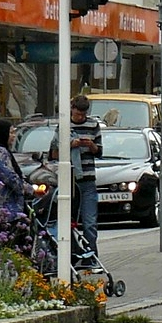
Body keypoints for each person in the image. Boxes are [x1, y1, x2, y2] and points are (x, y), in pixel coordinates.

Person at [50, 95, 104, 261]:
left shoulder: (93, 125)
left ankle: (91, 256)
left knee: (90, 223)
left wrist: (91, 145)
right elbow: (53, 153)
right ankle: (71, 256)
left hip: (87, 179)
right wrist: (69, 145)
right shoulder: (64, 126)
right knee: (67, 221)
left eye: (83, 115)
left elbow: (100, 152)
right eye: (77, 114)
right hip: (69, 180)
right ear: (72, 109)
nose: (80, 117)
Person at [0, 118, 35, 216]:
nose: (14, 136)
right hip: (3, 207)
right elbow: (10, 177)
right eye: (11, 133)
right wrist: (29, 189)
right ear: (2, 134)